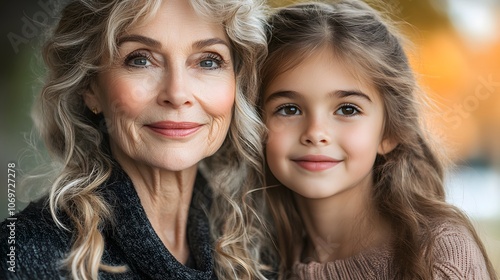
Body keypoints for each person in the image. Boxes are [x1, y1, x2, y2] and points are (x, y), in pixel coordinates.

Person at [0, 0, 270, 279]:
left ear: (238, 84)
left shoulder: (261, 252)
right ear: (90, 86)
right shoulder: (23, 257)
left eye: (208, 61)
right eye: (140, 59)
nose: (177, 94)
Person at [258, 1, 498, 279]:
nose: (315, 132)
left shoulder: (436, 256)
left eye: (348, 109)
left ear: (389, 132)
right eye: (289, 109)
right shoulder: (249, 252)